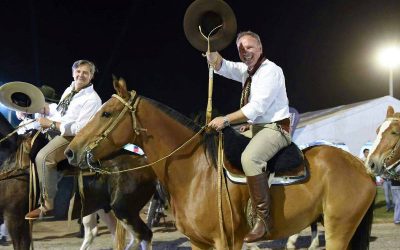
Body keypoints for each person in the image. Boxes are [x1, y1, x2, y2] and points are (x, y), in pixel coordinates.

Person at [207, 31, 291, 242]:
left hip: (276, 128)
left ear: (260, 48)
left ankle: (263, 220)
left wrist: (225, 119)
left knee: (250, 158)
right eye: (241, 49)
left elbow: (257, 107)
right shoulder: (248, 71)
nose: (245, 52)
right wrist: (212, 52)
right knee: (223, 142)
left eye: (250, 47)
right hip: (257, 127)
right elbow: (224, 66)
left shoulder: (270, 71)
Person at [25, 60, 102, 220]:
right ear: (73, 72)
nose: (81, 75)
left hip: (74, 138)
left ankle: (47, 205)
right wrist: (46, 109)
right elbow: (62, 112)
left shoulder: (93, 99)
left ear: (91, 76)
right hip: (59, 130)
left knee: (44, 157)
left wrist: (52, 124)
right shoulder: (69, 89)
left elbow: (81, 128)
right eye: (78, 71)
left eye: (85, 73)